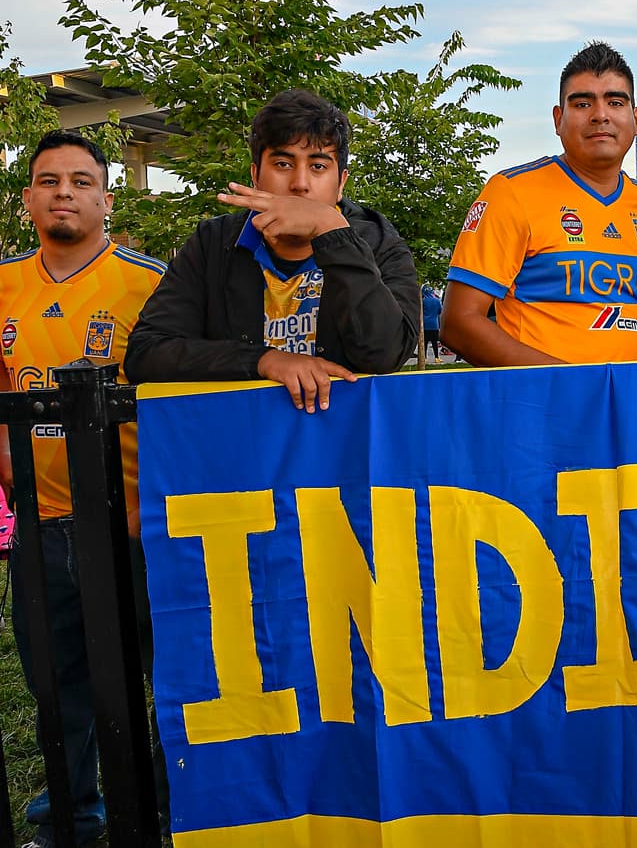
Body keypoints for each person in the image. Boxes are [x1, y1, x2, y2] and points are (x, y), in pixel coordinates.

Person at [0, 129, 165, 848]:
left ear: (104, 195)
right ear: (28, 198)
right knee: (53, 680)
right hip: (43, 521)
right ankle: (71, 811)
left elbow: (177, 398)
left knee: (153, 678)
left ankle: (162, 811)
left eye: (78, 180)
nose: (62, 191)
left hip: (130, 521)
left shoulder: (150, 281)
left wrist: (148, 502)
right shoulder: (4, 281)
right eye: (47, 180)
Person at [124, 89, 420, 410]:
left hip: (344, 442)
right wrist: (264, 360)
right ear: (255, 176)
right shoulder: (213, 241)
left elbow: (385, 354)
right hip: (245, 442)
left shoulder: (377, 241)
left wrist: (332, 233)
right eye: (282, 163)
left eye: (319, 166)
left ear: (341, 183)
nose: (300, 184)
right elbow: (147, 353)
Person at [440, 41, 637, 366]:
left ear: (636, 118)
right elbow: (458, 322)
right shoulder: (511, 192)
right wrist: (569, 386)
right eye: (583, 104)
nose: (600, 115)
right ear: (558, 119)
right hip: (536, 410)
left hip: (621, 411)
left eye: (614, 101)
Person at [421, 285, 443, 363]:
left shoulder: (422, 301)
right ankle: (436, 358)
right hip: (434, 324)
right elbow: (440, 311)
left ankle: (425, 358)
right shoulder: (437, 300)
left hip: (425, 325)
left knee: (425, 343)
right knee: (434, 342)